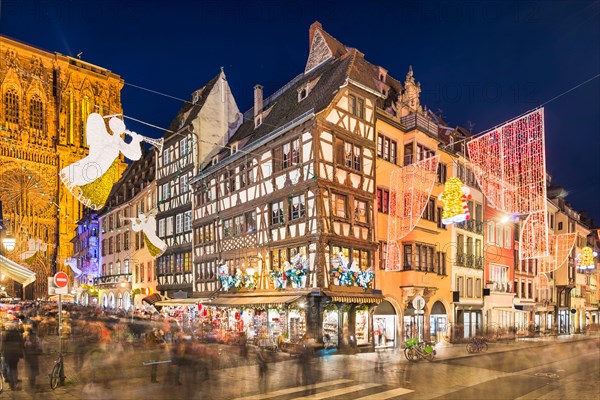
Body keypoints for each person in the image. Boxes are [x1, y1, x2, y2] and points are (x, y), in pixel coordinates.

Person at [2, 324, 25, 390]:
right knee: (14, 368)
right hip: (15, 353)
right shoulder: (17, 334)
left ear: (7, 328)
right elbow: (21, 344)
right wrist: (21, 354)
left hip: (7, 353)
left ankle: (11, 385)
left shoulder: (4, 334)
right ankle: (15, 382)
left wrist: (2, 353)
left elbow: (2, 345)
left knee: (8, 368)